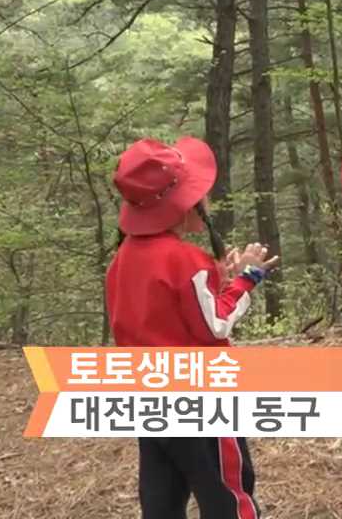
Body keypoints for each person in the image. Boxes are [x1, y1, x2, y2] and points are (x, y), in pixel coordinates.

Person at [106, 137, 276, 519]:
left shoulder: (123, 259)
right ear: (181, 204)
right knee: (227, 493)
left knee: (161, 494)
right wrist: (247, 278)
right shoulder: (185, 259)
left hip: (148, 395)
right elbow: (214, 325)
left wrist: (217, 279)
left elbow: (158, 313)